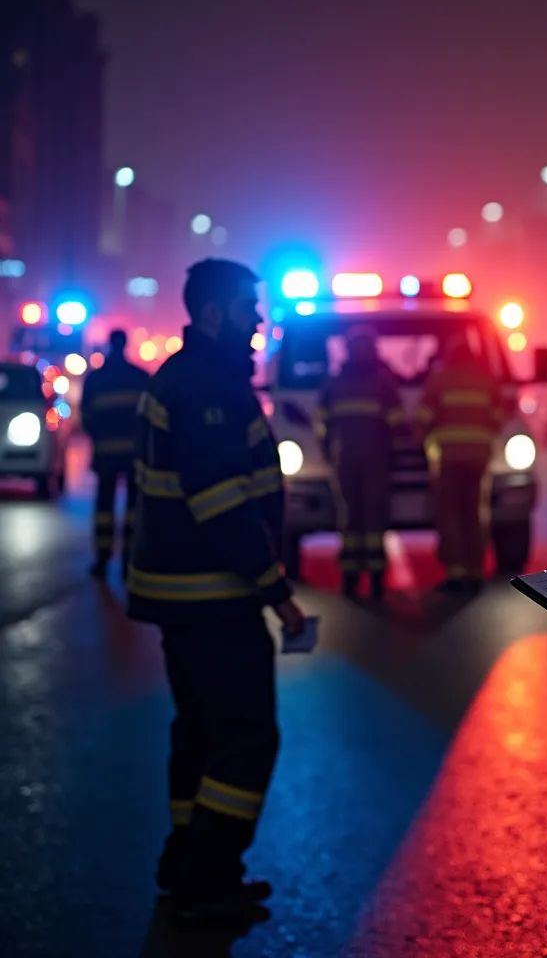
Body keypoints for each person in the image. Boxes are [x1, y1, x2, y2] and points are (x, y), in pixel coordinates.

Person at [128, 258, 306, 929]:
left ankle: (193, 867)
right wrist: (277, 592)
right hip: (214, 600)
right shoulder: (206, 390)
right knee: (243, 738)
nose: (258, 320)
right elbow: (224, 505)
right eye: (246, 308)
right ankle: (205, 878)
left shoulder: (191, 379)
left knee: (199, 735)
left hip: (189, 601)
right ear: (212, 314)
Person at [315, 324, 404, 599]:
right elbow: (397, 424)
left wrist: (328, 449)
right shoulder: (384, 383)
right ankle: (376, 579)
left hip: (345, 459)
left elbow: (321, 423)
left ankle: (350, 578)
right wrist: (395, 455)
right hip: (375, 460)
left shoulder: (334, 383)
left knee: (350, 519)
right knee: (374, 519)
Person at [416, 335, 504, 594]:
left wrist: (422, 441)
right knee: (474, 513)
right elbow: (498, 417)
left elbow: (424, 417)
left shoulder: (440, 380)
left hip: (449, 457)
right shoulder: (486, 380)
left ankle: (456, 573)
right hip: (479, 458)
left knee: (450, 513)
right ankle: (475, 570)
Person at [79, 328, 150, 580]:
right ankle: (129, 560)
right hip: (133, 455)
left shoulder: (96, 380)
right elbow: (150, 418)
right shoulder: (140, 378)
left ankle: (102, 558)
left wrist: (100, 438)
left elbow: (85, 418)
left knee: (103, 508)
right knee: (134, 508)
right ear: (126, 344)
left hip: (106, 454)